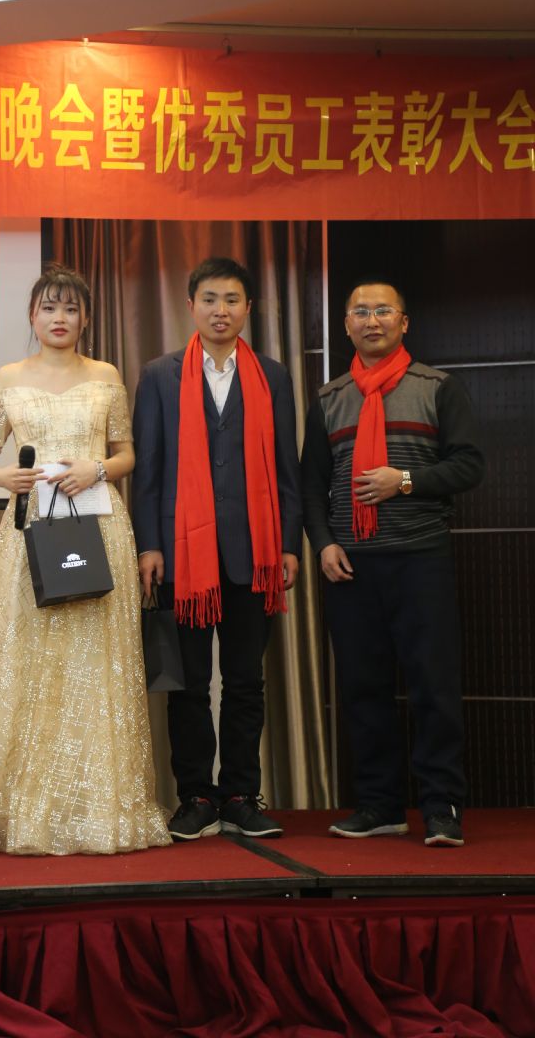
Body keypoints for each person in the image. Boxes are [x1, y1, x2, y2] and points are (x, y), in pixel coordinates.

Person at [0, 265, 170, 856]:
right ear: (32, 317)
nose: (60, 318)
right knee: (24, 659)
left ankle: (96, 809)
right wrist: (1, 476)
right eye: (49, 308)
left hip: (98, 523)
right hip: (30, 527)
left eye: (70, 309)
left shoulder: (106, 375)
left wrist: (98, 467)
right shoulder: (8, 376)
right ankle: (23, 808)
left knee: (96, 660)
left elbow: (127, 453)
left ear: (86, 319)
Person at [301, 280, 484, 847]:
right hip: (351, 567)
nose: (371, 320)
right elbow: (311, 484)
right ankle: (379, 806)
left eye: (383, 311)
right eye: (361, 312)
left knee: (433, 686)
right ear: (347, 325)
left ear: (404, 323)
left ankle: (442, 807)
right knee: (363, 689)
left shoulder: (437, 387)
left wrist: (403, 480)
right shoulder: (329, 398)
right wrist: (323, 543)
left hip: (420, 559)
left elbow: (469, 465)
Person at [132, 257, 303, 841]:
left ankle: (239, 794)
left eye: (232, 300)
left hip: (254, 552)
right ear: (191, 306)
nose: (220, 310)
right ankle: (196, 796)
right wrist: (149, 545)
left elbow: (286, 468)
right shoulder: (160, 375)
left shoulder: (272, 376)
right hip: (182, 554)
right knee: (187, 685)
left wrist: (288, 544)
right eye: (209, 299)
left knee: (245, 683)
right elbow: (148, 469)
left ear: (248, 308)